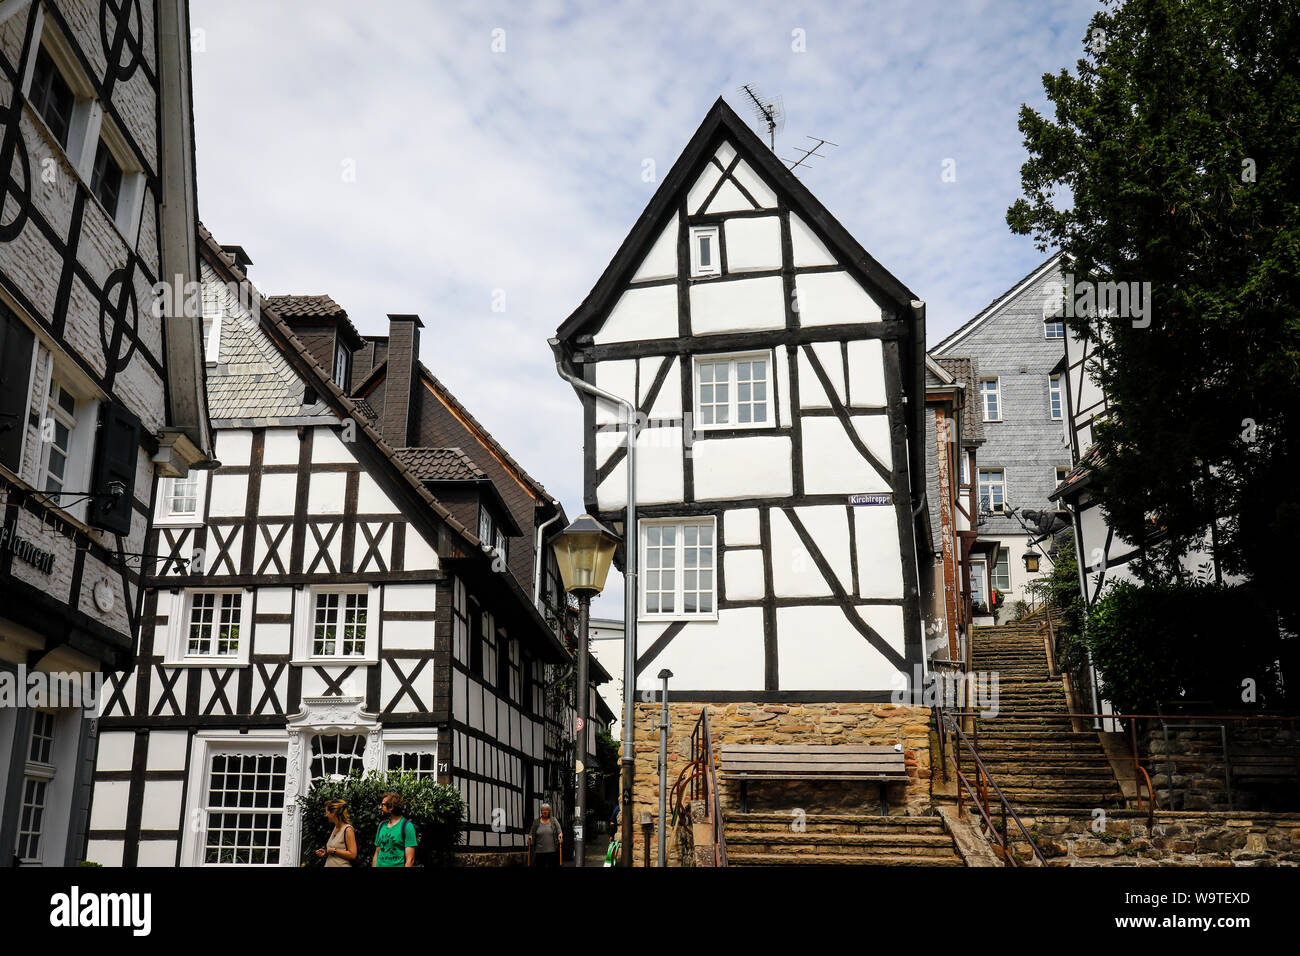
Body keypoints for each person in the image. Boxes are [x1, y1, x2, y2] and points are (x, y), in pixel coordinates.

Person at [371, 792, 417, 868]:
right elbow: (377, 853)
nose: (380, 807)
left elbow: (410, 860)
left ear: (391, 807)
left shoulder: (407, 827)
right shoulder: (381, 825)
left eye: (383, 805)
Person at [315, 799, 357, 867]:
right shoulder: (335, 828)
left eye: (327, 812)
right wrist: (326, 852)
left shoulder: (348, 829)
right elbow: (338, 850)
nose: (326, 815)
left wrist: (334, 851)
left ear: (333, 813)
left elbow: (353, 854)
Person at [528, 803, 562, 867]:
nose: (545, 811)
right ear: (541, 811)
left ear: (549, 811)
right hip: (539, 851)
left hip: (552, 851)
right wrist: (530, 838)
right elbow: (531, 833)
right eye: (543, 810)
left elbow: (559, 831)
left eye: (547, 810)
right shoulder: (536, 822)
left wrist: (560, 836)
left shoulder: (553, 820)